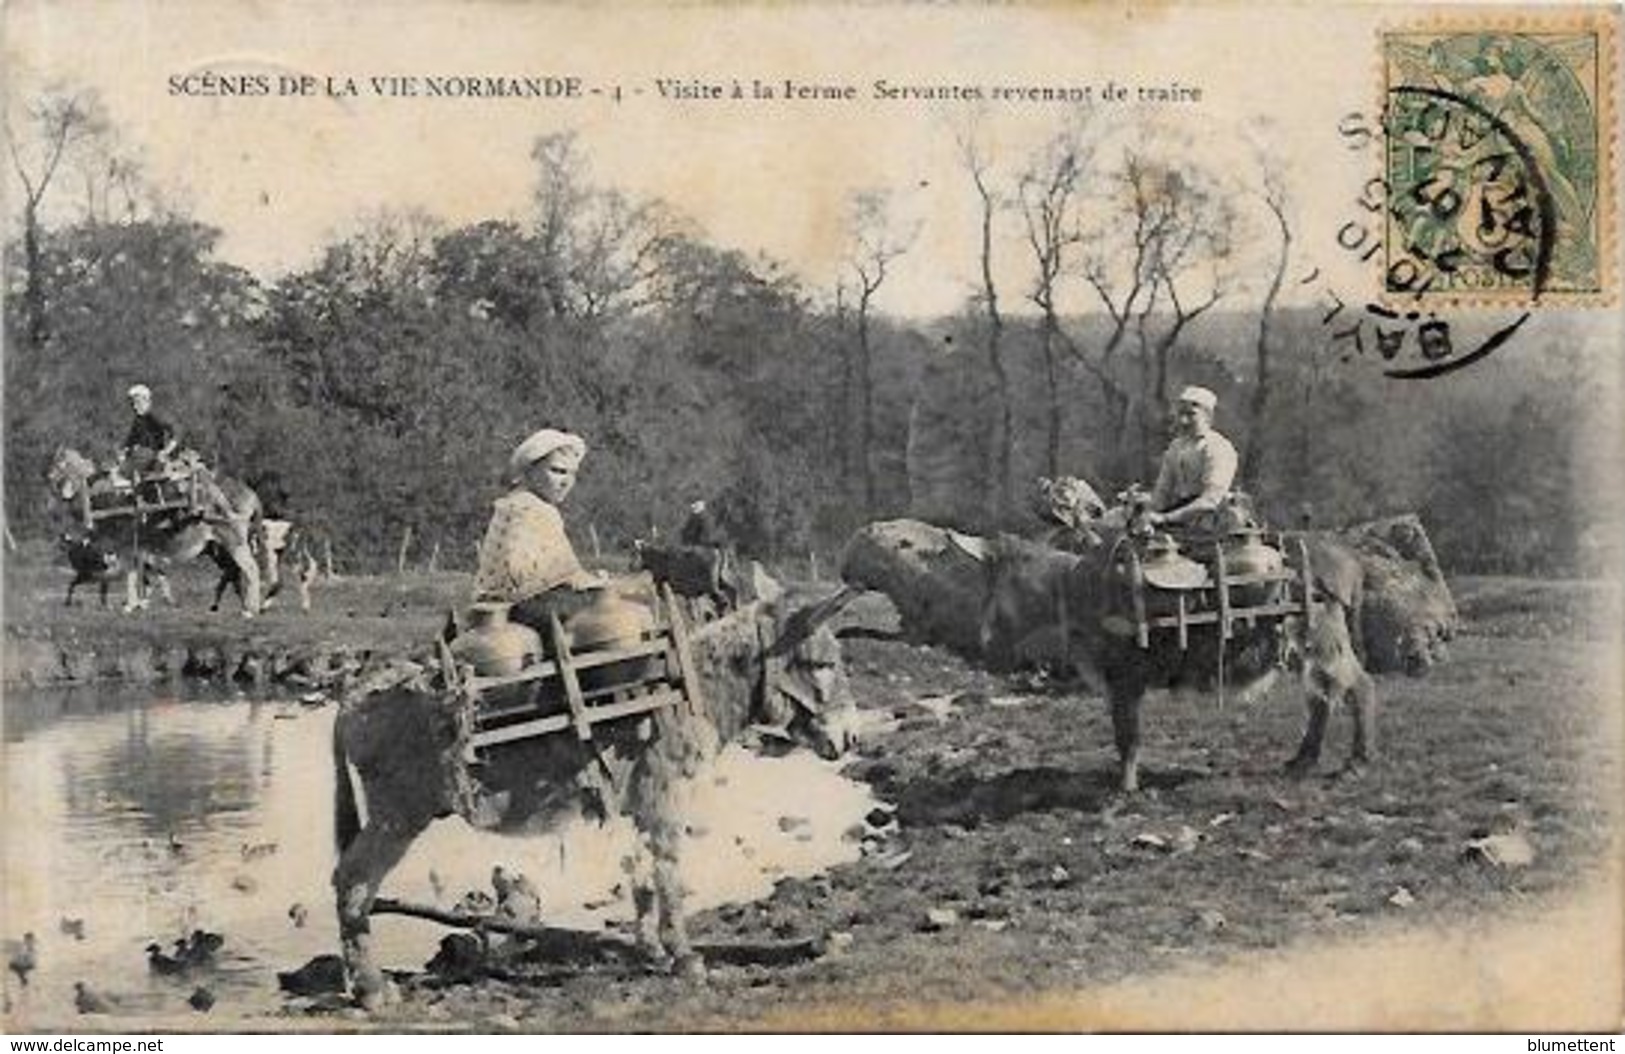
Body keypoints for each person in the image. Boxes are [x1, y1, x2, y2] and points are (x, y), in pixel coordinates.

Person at [471, 427, 604, 630]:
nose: (566, 482)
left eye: (572, 474)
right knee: (603, 612)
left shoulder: (516, 503)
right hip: (521, 608)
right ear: (530, 471)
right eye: (557, 471)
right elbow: (519, 573)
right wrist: (583, 582)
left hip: (505, 606)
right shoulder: (528, 508)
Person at [1146, 385, 1238, 533]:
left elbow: (1211, 500)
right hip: (1179, 516)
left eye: (1191, 414)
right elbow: (1162, 491)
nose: (1184, 421)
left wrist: (1166, 518)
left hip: (1212, 523)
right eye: (1181, 414)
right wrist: (1146, 513)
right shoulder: (1176, 447)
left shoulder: (1218, 447)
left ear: (1208, 417)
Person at [120, 384, 179, 476]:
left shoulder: (157, 417)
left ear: (147, 401)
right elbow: (131, 439)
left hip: (152, 458)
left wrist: (166, 451)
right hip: (139, 458)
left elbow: (176, 434)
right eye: (133, 404)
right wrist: (124, 451)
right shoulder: (138, 420)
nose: (135, 407)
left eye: (138, 403)